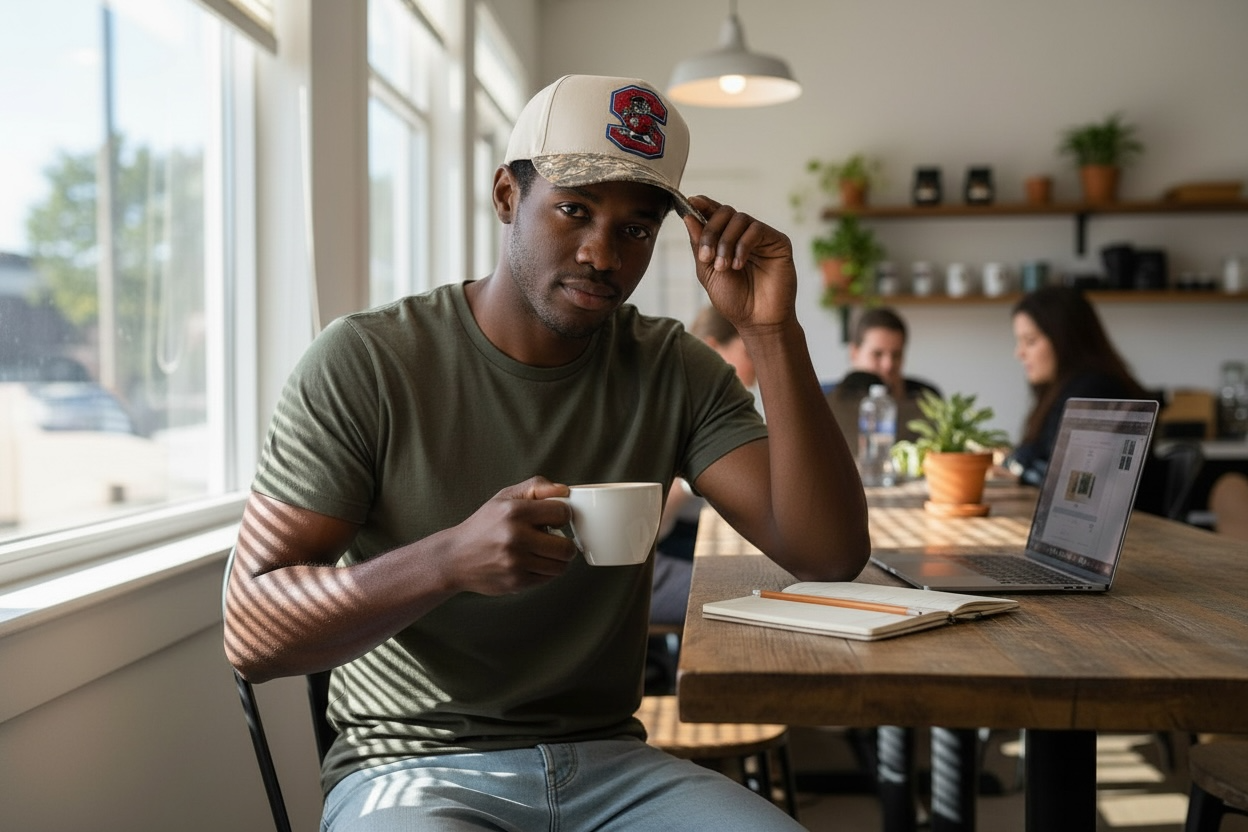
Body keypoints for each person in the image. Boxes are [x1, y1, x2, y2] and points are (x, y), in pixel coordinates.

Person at [223, 74, 869, 831]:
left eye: (636, 227)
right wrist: (448, 560)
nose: (603, 253)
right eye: (574, 210)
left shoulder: (672, 366)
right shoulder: (367, 361)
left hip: (613, 764)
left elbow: (827, 554)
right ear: (506, 197)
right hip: (413, 769)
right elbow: (250, 633)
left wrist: (771, 331)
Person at [649, 305, 756, 630]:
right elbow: (650, 528)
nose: (759, 362)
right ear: (711, 348)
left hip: (687, 540)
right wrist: (689, 480)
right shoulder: (671, 407)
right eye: (749, 351)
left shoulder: (726, 409)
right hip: (654, 558)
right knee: (748, 593)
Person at [1005, 285, 1150, 485]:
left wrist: (1017, 466)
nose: (1019, 353)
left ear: (1063, 339)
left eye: (1030, 341)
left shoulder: (1094, 391)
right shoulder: (1061, 391)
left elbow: (1066, 481)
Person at [825, 306, 941, 447]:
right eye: (877, 354)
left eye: (896, 355)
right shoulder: (829, 404)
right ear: (854, 353)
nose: (888, 365)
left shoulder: (927, 400)